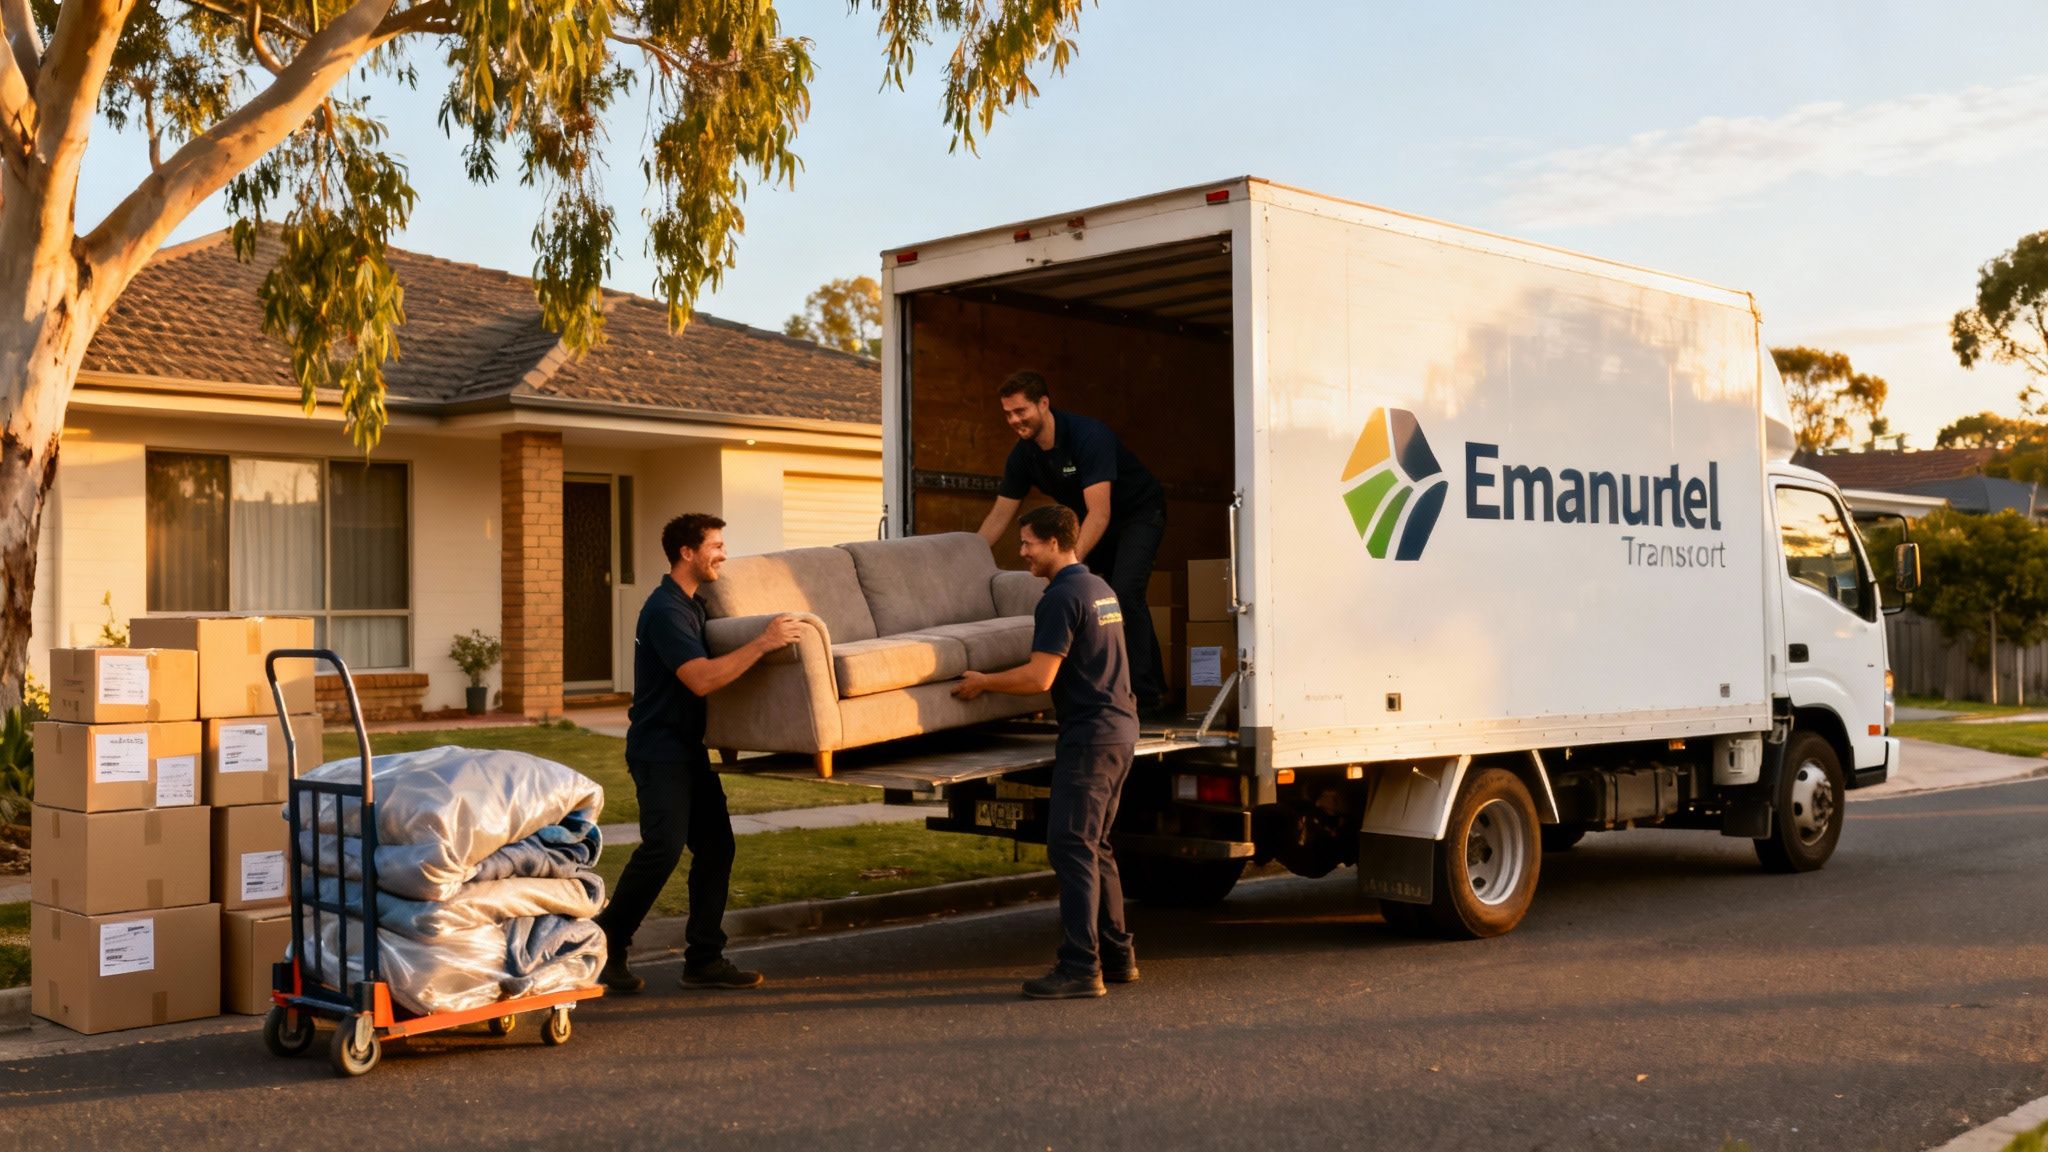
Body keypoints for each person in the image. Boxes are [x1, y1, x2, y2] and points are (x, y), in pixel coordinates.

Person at [594, 513, 804, 994]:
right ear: (687, 552)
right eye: (716, 545)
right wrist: (764, 642)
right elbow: (702, 677)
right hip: (659, 750)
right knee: (663, 849)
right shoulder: (665, 610)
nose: (723, 554)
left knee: (716, 847)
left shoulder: (696, 603)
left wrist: (727, 734)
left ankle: (704, 959)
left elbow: (709, 690)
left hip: (689, 749)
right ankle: (608, 944)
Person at [954, 503, 1140, 999]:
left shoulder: (1059, 598)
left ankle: (1081, 968)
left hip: (1090, 739)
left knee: (1071, 848)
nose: (1022, 554)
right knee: (1096, 846)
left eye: (1029, 543)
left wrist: (985, 682)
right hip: (1120, 728)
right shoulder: (1099, 588)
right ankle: (1119, 956)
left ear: (1056, 542)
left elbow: (1040, 676)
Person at [977, 370, 1171, 721]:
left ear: (1044, 404)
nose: (1014, 420)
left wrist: (1069, 566)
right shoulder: (1023, 455)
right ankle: (1105, 691)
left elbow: (1100, 512)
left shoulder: (1088, 436)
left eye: (1021, 411)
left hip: (1137, 513)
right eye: (1007, 413)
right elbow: (999, 515)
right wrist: (969, 558)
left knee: (1123, 594)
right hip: (1095, 520)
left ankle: (1148, 695)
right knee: (1091, 602)